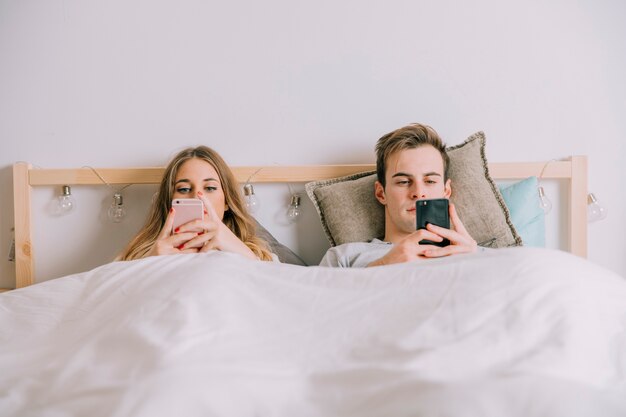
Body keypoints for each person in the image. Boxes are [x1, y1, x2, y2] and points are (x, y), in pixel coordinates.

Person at [319, 123, 477, 267]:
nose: (418, 193)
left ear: (446, 191)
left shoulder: (474, 253)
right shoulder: (344, 258)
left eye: (429, 181)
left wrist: (475, 264)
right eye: (403, 182)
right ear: (381, 193)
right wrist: (381, 266)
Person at [118, 146, 274, 261]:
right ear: (169, 201)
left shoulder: (258, 254)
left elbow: (279, 290)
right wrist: (149, 261)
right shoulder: (140, 255)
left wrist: (240, 250)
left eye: (210, 188)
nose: (197, 197)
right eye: (184, 189)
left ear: (227, 201)